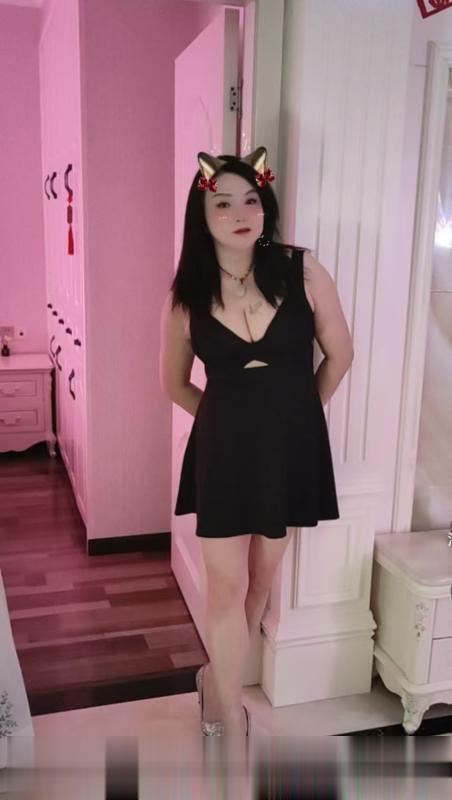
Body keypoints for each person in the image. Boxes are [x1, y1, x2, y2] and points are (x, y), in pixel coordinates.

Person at [159, 146, 354, 743]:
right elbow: (174, 385)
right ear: (202, 216)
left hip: (288, 455)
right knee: (226, 587)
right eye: (223, 203)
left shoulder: (303, 270)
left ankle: (214, 680)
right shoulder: (186, 296)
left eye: (251, 199)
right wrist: (230, 423)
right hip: (223, 458)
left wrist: (295, 419)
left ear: (265, 205)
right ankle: (228, 713)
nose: (240, 213)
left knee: (260, 584)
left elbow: (340, 355)